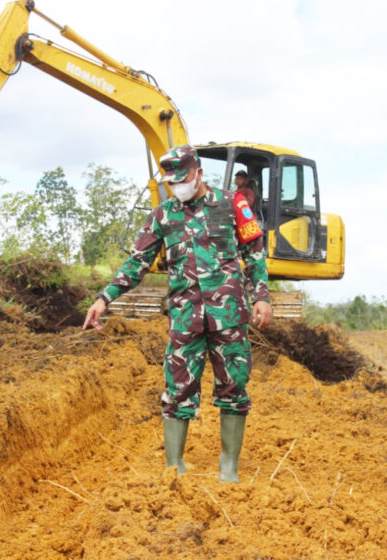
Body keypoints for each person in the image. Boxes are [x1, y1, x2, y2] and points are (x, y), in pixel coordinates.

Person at [83, 145, 273, 483]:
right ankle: (175, 467)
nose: (177, 186)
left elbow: (254, 254)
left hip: (228, 315)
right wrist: (104, 298)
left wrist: (261, 296)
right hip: (185, 317)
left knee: (234, 386)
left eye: (182, 178)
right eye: (171, 181)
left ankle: (229, 465)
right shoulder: (162, 216)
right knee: (177, 388)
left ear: (198, 171)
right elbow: (136, 263)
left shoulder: (232, 204)